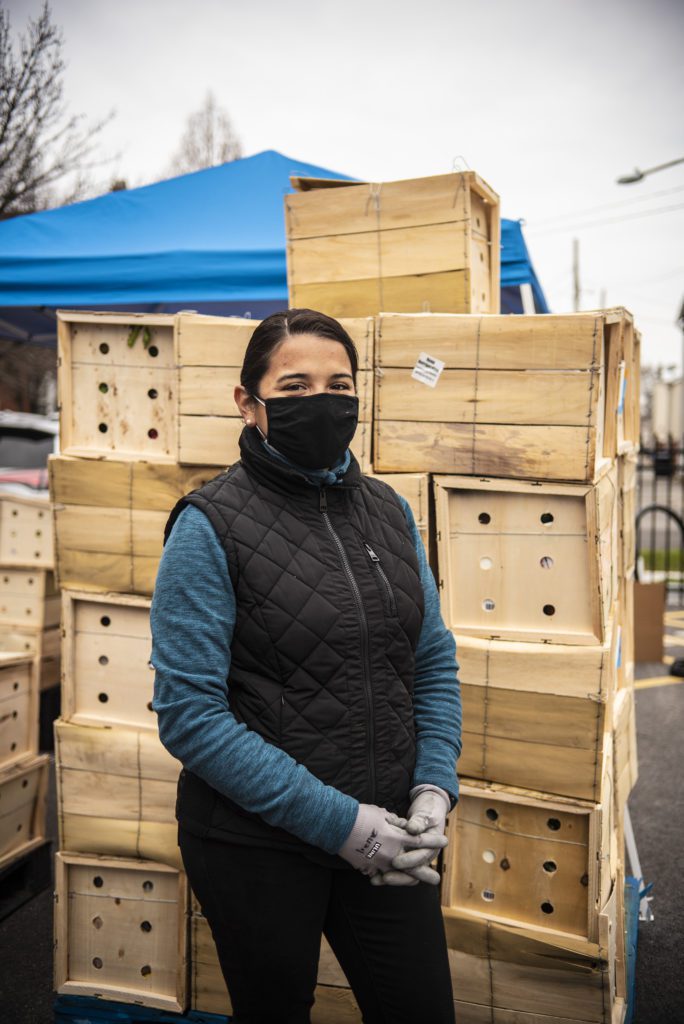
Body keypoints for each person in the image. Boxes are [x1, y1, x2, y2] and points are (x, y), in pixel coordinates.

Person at [151, 308, 462, 1024]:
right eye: (294, 386)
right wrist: (343, 827)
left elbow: (432, 660)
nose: (321, 401)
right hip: (256, 843)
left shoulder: (389, 510)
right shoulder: (209, 524)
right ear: (247, 402)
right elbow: (190, 717)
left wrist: (433, 787)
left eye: (338, 384)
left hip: (393, 831)